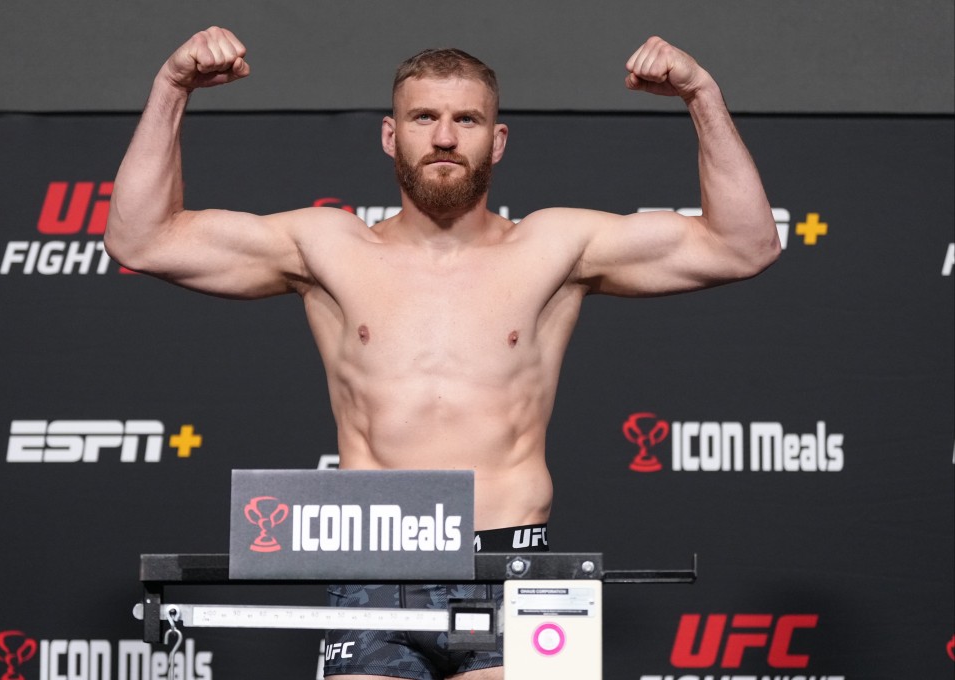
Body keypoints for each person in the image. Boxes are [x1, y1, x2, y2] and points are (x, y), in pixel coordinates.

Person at [104, 26, 780, 680]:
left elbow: (745, 244)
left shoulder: (555, 247)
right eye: (424, 117)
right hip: (374, 563)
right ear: (390, 135)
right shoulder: (327, 247)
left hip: (514, 564)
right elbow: (140, 239)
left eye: (468, 119)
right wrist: (171, 86)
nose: (447, 137)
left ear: (499, 139)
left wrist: (702, 94)